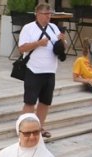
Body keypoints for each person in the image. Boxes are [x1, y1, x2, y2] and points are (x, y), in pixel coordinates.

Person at [18, 2, 67, 139]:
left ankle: (39, 128)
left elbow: (63, 47)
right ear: (38, 14)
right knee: (30, 102)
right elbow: (21, 48)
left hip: (50, 71)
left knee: (45, 102)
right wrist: (38, 43)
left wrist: (63, 41)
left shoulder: (53, 27)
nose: (48, 17)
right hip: (33, 70)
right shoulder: (28, 28)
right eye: (46, 14)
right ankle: (24, 129)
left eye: (50, 14)